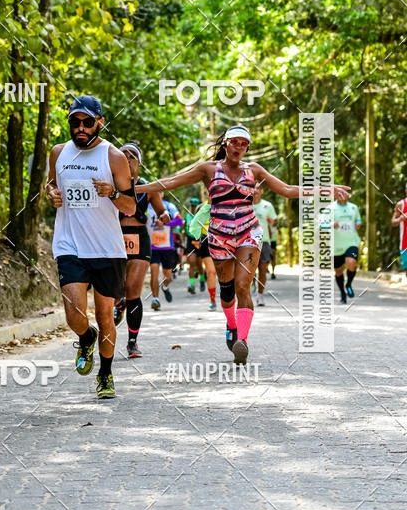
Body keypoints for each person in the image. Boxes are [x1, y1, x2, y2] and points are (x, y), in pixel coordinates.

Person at [136, 124, 350, 364]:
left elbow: (288, 190)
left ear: (247, 147)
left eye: (244, 143)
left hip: (249, 232)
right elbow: (170, 183)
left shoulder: (255, 170)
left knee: (242, 286)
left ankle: (243, 341)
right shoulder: (207, 169)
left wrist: (326, 189)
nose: (239, 146)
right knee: (226, 290)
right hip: (219, 236)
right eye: (235, 142)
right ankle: (231, 324)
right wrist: (131, 189)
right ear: (226, 143)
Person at [46, 94, 136, 399]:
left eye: (87, 122)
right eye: (75, 122)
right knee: (73, 313)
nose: (80, 128)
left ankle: (106, 374)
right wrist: (51, 193)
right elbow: (50, 184)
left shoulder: (113, 158)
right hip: (69, 244)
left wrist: (111, 193)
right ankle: (86, 338)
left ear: (100, 122)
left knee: (105, 315)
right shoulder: (58, 153)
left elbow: (130, 207)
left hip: (107, 249)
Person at [114, 141, 169, 358]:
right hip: (113, 238)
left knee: (133, 290)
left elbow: (163, 212)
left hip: (139, 239)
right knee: (117, 289)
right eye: (123, 155)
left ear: (139, 164)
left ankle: (132, 342)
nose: (127, 159)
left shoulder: (148, 187)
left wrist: (164, 217)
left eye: (132, 157)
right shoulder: (110, 184)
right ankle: (120, 303)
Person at [327, 193, 362, 302]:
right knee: (338, 271)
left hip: (352, 242)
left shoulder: (353, 207)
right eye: (339, 194)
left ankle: (349, 284)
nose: (341, 196)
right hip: (336, 245)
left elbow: (358, 220)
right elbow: (321, 223)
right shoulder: (330, 208)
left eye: (344, 194)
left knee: (351, 262)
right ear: (335, 196)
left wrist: (358, 224)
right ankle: (342, 293)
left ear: (348, 195)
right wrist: (331, 224)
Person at [149, 199, 183, 310]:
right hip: (152, 247)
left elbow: (180, 221)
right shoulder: (147, 206)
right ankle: (155, 299)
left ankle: (165, 287)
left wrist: (165, 222)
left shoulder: (169, 206)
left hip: (167, 247)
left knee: (167, 276)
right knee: (154, 273)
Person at [187, 198, 218, 309]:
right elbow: (195, 225)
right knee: (211, 272)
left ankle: (229, 299)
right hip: (206, 241)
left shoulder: (226, 204)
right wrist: (196, 239)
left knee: (226, 273)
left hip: (224, 241)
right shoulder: (201, 207)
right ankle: (213, 300)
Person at [252, 183, 277, 307]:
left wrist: (272, 222)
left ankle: (260, 294)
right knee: (249, 270)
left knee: (262, 269)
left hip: (264, 241)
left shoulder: (268, 206)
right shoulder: (246, 205)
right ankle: (251, 285)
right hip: (248, 242)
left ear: (261, 191)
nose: (255, 190)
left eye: (258, 188)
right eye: (253, 188)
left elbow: (275, 223)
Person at [184, 198, 205, 293]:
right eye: (192, 205)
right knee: (192, 262)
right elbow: (184, 229)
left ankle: (202, 279)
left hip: (200, 240)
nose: (193, 207)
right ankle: (191, 285)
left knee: (199, 264)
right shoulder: (187, 216)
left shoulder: (202, 216)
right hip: (190, 241)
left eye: (195, 205)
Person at [391, 182, 407, 277]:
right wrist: (400, 219)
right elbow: (393, 222)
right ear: (406, 190)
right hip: (405, 242)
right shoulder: (401, 204)